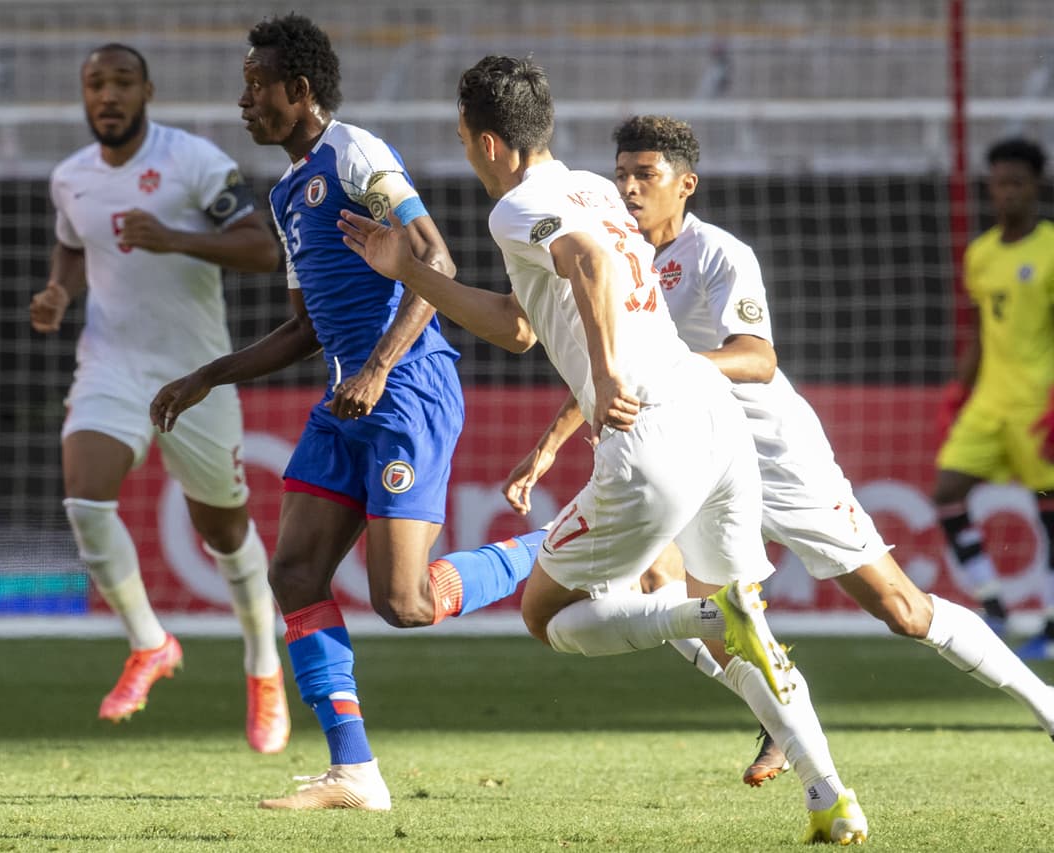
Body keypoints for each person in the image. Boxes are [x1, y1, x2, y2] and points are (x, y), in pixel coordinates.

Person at [339, 56, 868, 845]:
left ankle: (705, 612)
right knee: (741, 617)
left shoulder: (518, 204)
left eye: (461, 138)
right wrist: (409, 268)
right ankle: (830, 794)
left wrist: (609, 366)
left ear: (488, 141)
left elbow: (585, 263)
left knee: (547, 613)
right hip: (716, 420)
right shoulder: (589, 185)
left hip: (648, 426)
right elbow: (520, 327)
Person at [503, 116, 1054, 790]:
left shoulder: (718, 254)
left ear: (686, 185)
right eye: (620, 174)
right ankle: (782, 723)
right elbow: (610, 363)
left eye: (644, 175)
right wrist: (547, 448)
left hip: (773, 450)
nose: (628, 188)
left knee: (901, 608)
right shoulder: (620, 257)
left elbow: (758, 359)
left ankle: (1046, 704)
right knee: (673, 594)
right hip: (691, 450)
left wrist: (674, 371)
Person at [150, 16, 543, 811]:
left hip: (405, 388)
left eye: (257, 86)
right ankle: (354, 770)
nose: (243, 100)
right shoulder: (289, 190)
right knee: (293, 572)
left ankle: (565, 545)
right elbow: (302, 325)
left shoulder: (356, 153)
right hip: (345, 396)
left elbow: (435, 258)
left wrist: (375, 366)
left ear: (299, 91)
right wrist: (210, 374)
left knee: (405, 603)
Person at [30, 43, 291, 753]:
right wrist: (60, 291)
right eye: (94, 84)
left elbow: (263, 249)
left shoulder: (194, 162)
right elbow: (75, 246)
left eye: (120, 83)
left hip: (196, 371)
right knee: (85, 496)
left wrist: (174, 237)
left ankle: (264, 665)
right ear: (83, 95)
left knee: (225, 532)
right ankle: (150, 643)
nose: (107, 96)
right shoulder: (70, 178)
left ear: (147, 88)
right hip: (111, 362)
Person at [935, 137, 1054, 660]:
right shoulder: (981, 254)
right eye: (998, 184)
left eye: (1016, 184)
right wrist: (959, 391)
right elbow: (983, 332)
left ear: (1036, 187)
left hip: (1040, 402)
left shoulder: (1050, 248)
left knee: (1049, 511)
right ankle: (995, 606)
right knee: (947, 491)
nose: (1005, 194)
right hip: (990, 400)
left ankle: (1050, 623)